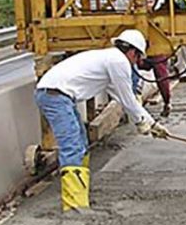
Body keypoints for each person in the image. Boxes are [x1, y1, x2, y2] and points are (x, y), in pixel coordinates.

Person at [35, 29, 168, 212]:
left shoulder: (110, 59)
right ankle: (74, 205)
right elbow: (128, 98)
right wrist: (143, 122)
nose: (136, 63)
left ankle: (80, 193)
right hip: (55, 96)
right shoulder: (118, 61)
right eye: (137, 58)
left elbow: (120, 97)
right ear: (132, 52)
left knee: (80, 142)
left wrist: (151, 123)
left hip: (57, 94)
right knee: (72, 145)